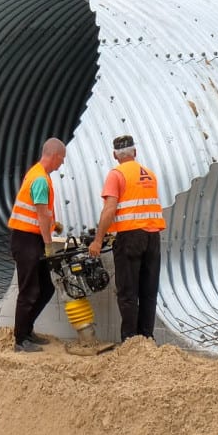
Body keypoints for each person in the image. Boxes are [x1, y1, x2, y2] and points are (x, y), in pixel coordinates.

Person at [88, 134, 166, 341]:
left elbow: (109, 209)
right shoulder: (149, 174)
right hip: (153, 238)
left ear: (115, 155)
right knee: (148, 291)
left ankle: (131, 341)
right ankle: (147, 337)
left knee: (128, 291)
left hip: (130, 238)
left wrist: (97, 240)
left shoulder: (116, 175)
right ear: (135, 153)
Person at [6, 137, 66, 353]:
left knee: (46, 287)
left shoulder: (39, 176)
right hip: (27, 241)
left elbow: (42, 212)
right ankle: (20, 340)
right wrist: (49, 246)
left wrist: (54, 224)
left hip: (33, 239)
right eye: (62, 159)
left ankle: (27, 330)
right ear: (55, 155)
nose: (62, 164)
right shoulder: (40, 179)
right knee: (29, 290)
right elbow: (40, 215)